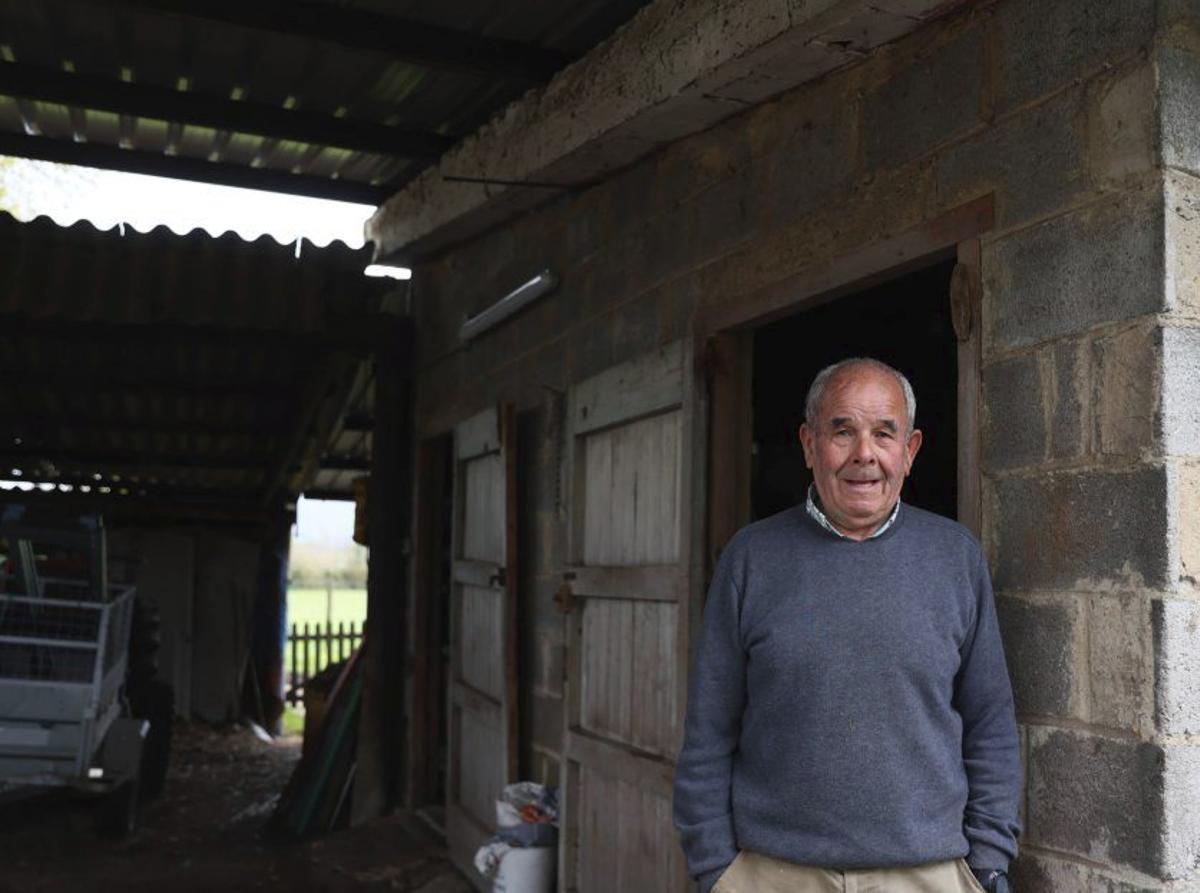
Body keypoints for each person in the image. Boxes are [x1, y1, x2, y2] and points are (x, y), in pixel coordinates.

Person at [673, 357, 1020, 893]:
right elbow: (708, 730)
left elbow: (990, 724)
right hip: (772, 872)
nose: (865, 454)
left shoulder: (956, 558)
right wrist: (716, 868)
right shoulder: (750, 559)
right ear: (810, 445)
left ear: (910, 451)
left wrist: (989, 861)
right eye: (843, 431)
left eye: (885, 434)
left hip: (927, 874)